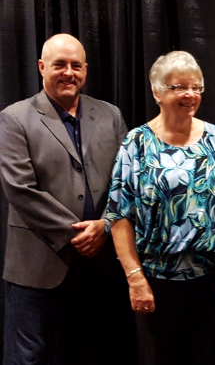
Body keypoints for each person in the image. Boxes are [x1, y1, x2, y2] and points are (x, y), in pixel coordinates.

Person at [0, 34, 132, 364]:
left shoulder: (111, 116)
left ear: (86, 69)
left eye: (76, 65)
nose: (68, 72)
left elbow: (128, 181)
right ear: (42, 67)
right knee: (28, 358)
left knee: (90, 353)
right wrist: (77, 234)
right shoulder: (15, 118)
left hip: (97, 264)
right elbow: (20, 189)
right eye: (59, 64)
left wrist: (105, 225)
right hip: (36, 265)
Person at [105, 51, 215, 365]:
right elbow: (119, 215)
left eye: (196, 87)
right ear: (157, 92)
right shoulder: (136, 143)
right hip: (156, 283)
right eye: (179, 87)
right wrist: (135, 279)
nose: (190, 94)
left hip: (211, 280)